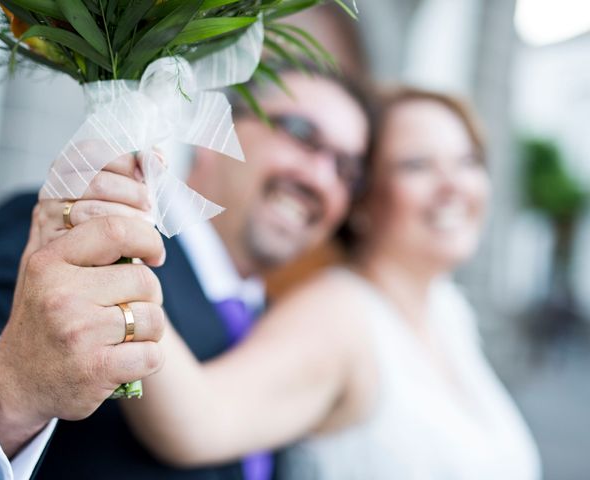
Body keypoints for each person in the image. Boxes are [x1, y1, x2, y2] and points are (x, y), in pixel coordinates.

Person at [37, 86, 541, 479]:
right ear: (363, 202)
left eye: (468, 160)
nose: (455, 185)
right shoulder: (339, 315)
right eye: (418, 165)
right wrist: (115, 250)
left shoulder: (449, 311)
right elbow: (199, 421)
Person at [0, 67, 372, 479]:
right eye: (300, 134)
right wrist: (12, 398)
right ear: (214, 134)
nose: (321, 178)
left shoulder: (284, 327)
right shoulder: (81, 235)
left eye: (347, 170)